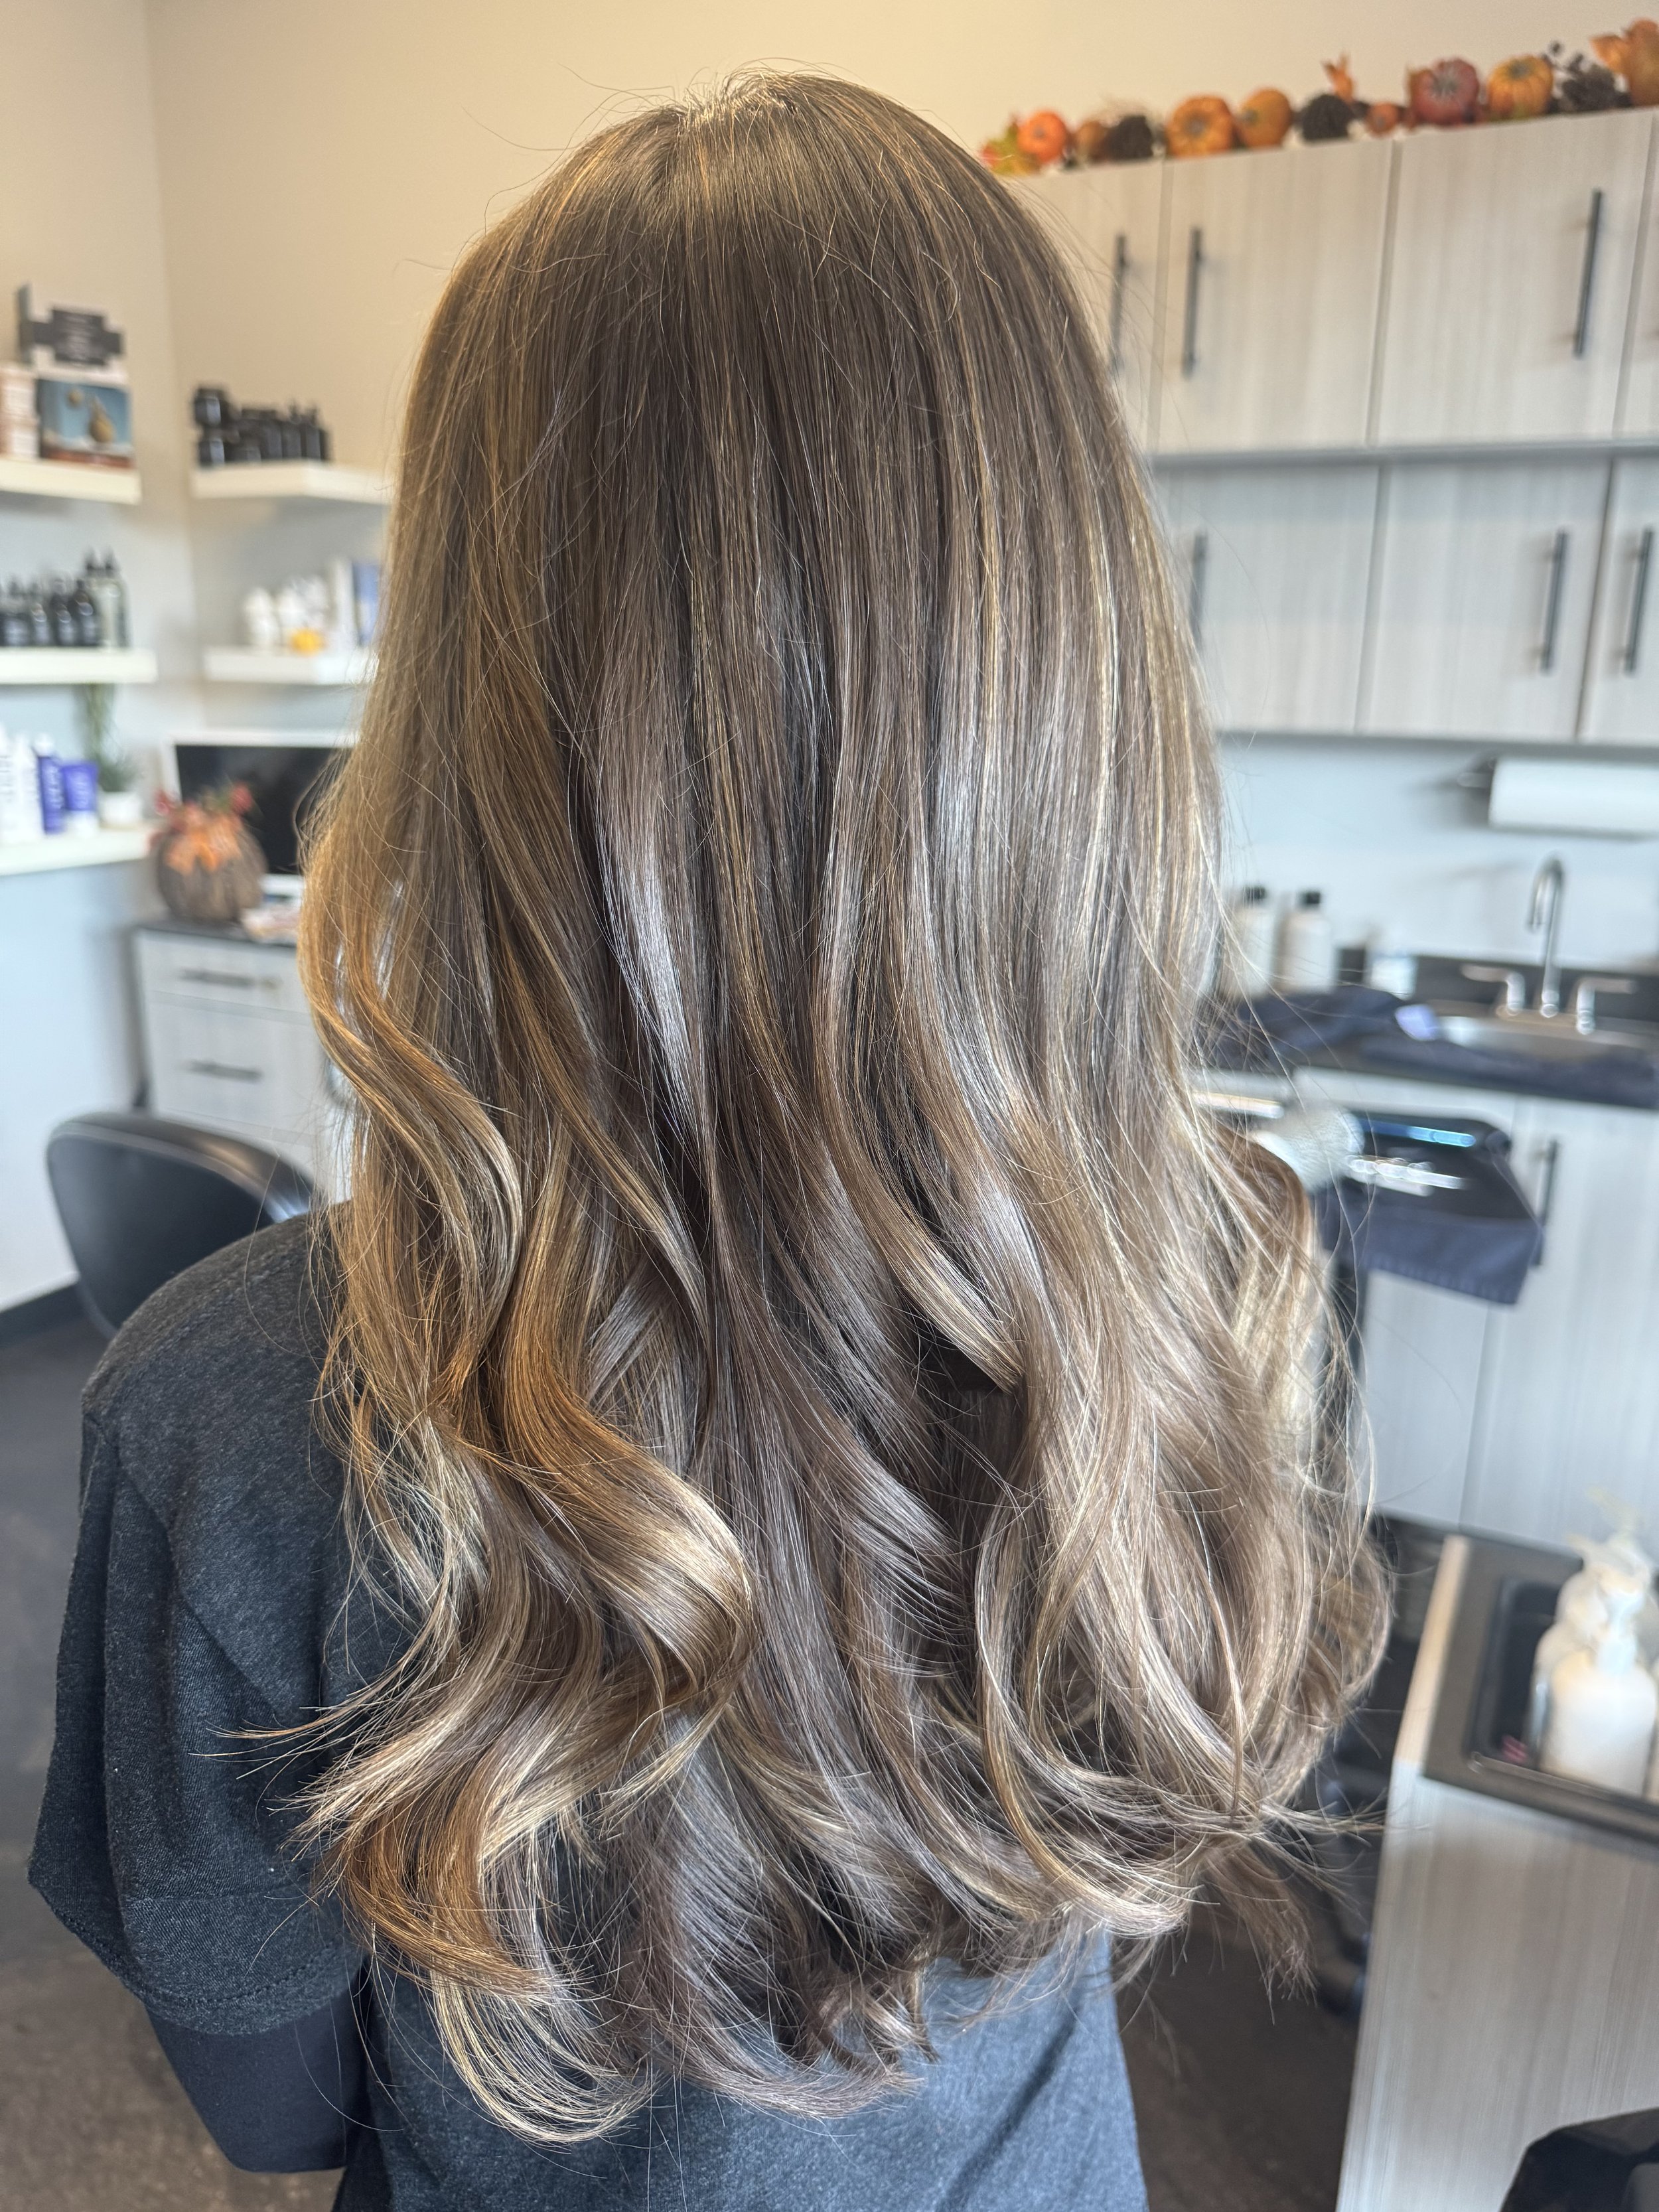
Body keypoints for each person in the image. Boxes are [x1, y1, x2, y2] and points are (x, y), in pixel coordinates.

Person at [31, 73, 1385, 2210]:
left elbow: (274, 2110)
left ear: (461, 690)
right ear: (1070, 681)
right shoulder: (1199, 1275)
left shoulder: (235, 1411)